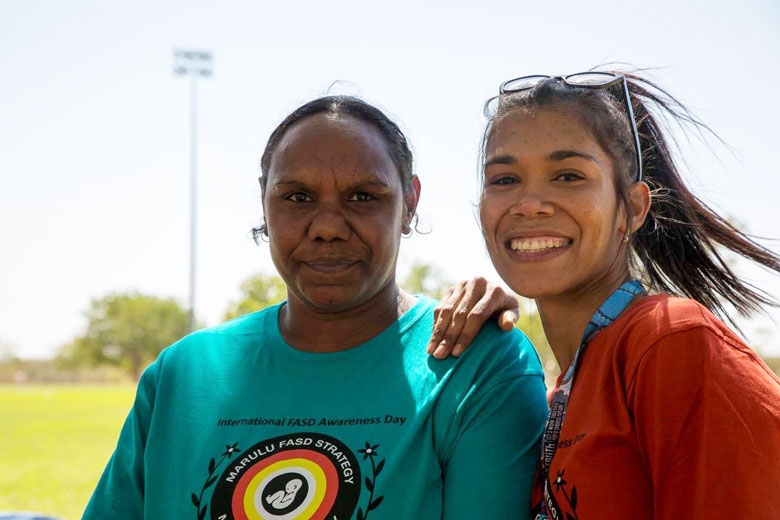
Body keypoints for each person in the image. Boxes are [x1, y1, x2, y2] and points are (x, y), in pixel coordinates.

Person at [82, 95, 548, 519]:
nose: (327, 226)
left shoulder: (476, 366)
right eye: (297, 197)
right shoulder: (183, 375)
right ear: (264, 202)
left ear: (409, 203)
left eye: (363, 196)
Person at [436, 70, 780, 518]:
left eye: (567, 176)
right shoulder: (559, 391)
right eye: (504, 180)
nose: (529, 203)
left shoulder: (670, 342)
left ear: (632, 208)